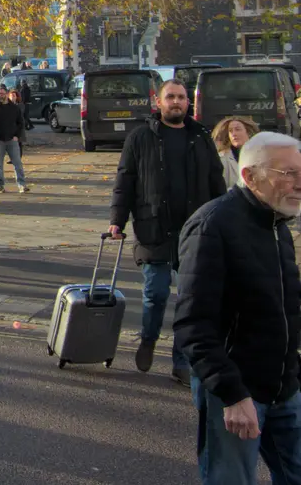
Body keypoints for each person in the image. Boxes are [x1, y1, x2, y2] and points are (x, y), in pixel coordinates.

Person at [175, 132, 301, 485]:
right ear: (250, 177)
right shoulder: (212, 226)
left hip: (283, 388)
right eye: (288, 174)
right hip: (237, 391)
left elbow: (283, 315)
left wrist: (300, 386)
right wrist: (233, 395)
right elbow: (194, 326)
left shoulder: (277, 222)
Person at [107, 78, 226, 385]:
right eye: (170, 97)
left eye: (181, 97)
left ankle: (181, 360)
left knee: (189, 300)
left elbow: (216, 181)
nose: (176, 102)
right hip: (154, 227)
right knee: (156, 294)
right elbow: (125, 180)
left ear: (189, 103)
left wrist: (225, 218)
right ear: (158, 102)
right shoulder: (140, 137)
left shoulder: (200, 136)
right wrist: (117, 220)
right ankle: (148, 338)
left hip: (194, 231)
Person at [0, 86, 31, 193]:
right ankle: (0, 185)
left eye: (2, 93)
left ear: (7, 94)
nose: (0, 95)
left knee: (17, 163)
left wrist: (17, 136)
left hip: (12, 139)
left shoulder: (14, 108)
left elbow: (20, 123)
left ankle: (21, 184)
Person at [210, 116, 257, 190]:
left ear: (248, 132)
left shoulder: (261, 155)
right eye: (230, 131)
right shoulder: (221, 158)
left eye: (237, 129)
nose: (234, 134)